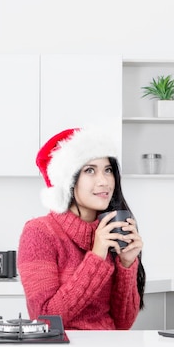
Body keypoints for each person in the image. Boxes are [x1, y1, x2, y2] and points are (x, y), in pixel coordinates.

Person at [17, 127, 146, 330]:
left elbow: (123, 324)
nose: (104, 181)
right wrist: (96, 256)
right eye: (89, 170)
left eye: (108, 170)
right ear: (67, 181)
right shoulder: (39, 232)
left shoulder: (111, 230)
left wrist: (127, 264)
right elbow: (45, 320)